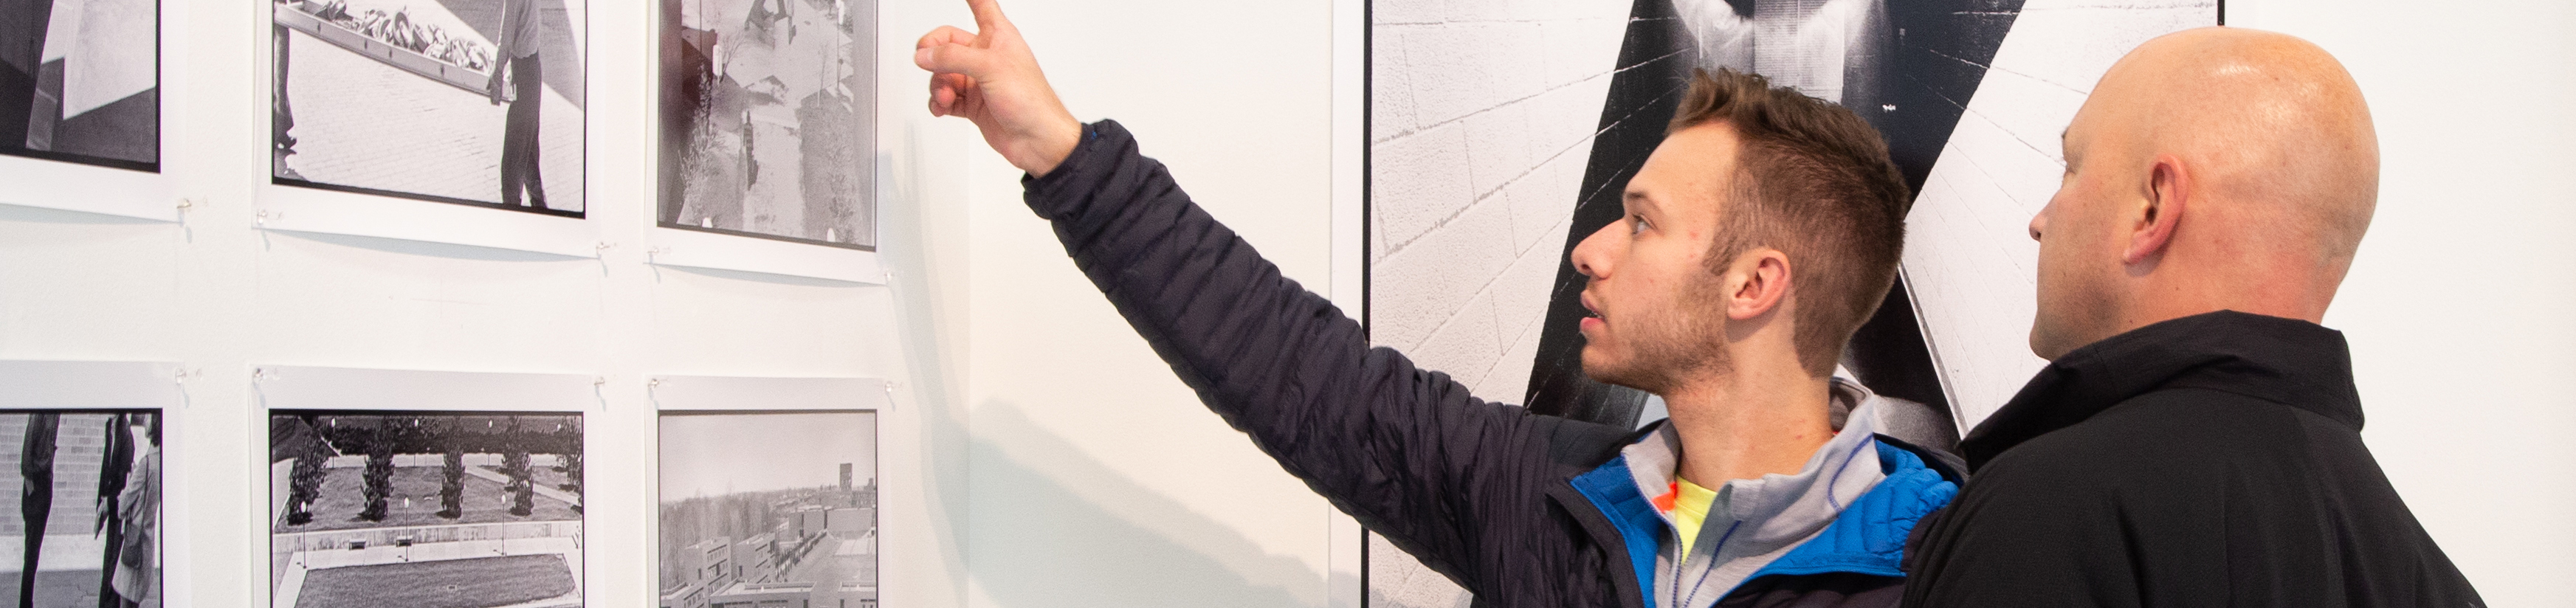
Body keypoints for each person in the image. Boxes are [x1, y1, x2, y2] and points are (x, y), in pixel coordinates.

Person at [915, 1, 1961, 606]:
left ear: (1754, 284)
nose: (1589, 251)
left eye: (1639, 222)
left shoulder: (1951, 567)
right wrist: (1062, 156)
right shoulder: (1545, 494)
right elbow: (1297, 372)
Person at [1898, 27, 2484, 607]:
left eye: (2071, 168)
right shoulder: (2435, 581)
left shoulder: (2044, 514)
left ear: (2153, 207)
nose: (2040, 220)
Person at [489, 0, 547, 210]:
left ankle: (512, 213)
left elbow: (506, 36)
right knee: (529, 152)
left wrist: (496, 75)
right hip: (532, 68)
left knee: (513, 161)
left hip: (525, 72)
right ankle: (542, 210)